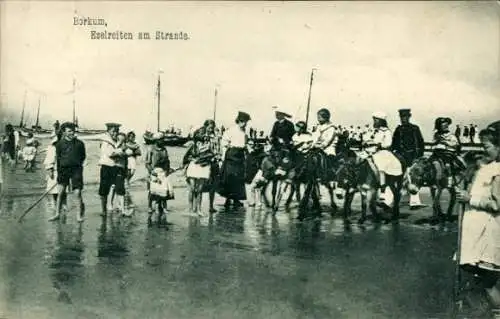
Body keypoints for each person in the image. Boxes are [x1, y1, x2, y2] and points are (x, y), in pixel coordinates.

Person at [456, 121, 500, 314]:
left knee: (487, 282)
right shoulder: (491, 167)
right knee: (481, 280)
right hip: (478, 233)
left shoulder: (498, 172)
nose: (483, 150)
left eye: (487, 147)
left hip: (488, 234)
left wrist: (469, 198)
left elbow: (497, 205)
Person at [49, 122, 86, 222]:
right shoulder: (59, 144)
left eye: (73, 130)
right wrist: (57, 171)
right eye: (69, 131)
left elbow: (83, 157)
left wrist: (76, 164)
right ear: (64, 132)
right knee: (60, 192)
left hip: (76, 170)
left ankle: (79, 216)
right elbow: (58, 158)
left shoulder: (80, 143)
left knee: (77, 193)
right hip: (63, 170)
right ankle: (57, 214)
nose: (72, 132)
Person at [363, 111, 403, 201]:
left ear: (381, 121)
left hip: (381, 152)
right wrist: (366, 141)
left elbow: (388, 143)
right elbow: (366, 138)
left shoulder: (386, 131)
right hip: (369, 151)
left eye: (377, 119)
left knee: (380, 166)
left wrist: (379, 145)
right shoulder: (371, 130)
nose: (375, 121)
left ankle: (383, 190)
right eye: (374, 119)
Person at [391, 108, 426, 209]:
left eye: (405, 117)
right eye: (402, 117)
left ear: (409, 117)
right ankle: (395, 199)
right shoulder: (398, 129)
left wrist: (419, 156)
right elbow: (394, 143)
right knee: (398, 177)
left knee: (413, 177)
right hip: (401, 156)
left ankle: (414, 201)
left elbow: (420, 142)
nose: (404, 119)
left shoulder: (415, 128)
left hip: (413, 156)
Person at [184, 119, 220, 213]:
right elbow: (186, 156)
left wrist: (214, 157)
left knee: (200, 189)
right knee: (192, 189)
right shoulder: (193, 145)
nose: (204, 137)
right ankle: (191, 209)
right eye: (202, 136)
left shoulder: (211, 141)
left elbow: (215, 153)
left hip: (205, 166)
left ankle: (199, 209)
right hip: (194, 166)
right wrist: (190, 161)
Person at [218, 111, 251, 209]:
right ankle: (227, 199)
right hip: (231, 155)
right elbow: (224, 142)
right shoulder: (231, 130)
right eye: (243, 121)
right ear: (238, 121)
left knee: (239, 178)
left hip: (240, 155)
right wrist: (224, 157)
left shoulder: (245, 132)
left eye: (245, 122)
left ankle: (236, 199)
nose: (244, 123)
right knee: (229, 177)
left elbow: (245, 144)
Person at [98, 122, 126, 217]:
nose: (116, 133)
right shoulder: (105, 141)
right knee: (104, 189)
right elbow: (110, 154)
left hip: (115, 167)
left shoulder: (117, 141)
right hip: (106, 167)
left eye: (117, 131)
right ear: (108, 131)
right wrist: (120, 152)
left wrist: (120, 151)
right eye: (114, 131)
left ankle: (122, 210)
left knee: (119, 187)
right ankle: (103, 210)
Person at [429, 117, 464, 185]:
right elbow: (433, 142)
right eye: (443, 126)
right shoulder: (437, 135)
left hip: (448, 152)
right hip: (438, 152)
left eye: (446, 126)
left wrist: (446, 142)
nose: (446, 127)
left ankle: (449, 177)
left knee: (447, 164)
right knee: (431, 162)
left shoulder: (451, 135)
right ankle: (433, 179)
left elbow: (455, 143)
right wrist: (435, 143)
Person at [145, 132, 171, 219]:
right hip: (153, 171)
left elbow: (167, 161)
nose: (163, 141)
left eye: (163, 139)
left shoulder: (164, 149)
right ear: (156, 140)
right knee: (152, 191)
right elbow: (147, 163)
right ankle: (149, 206)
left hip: (162, 172)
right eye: (161, 139)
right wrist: (151, 171)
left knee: (163, 190)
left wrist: (167, 170)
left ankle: (161, 206)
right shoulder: (150, 149)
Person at [44, 134, 68, 212]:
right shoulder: (52, 149)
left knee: (63, 190)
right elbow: (49, 161)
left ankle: (64, 204)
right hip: (55, 172)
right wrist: (50, 170)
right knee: (55, 191)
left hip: (64, 172)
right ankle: (55, 203)